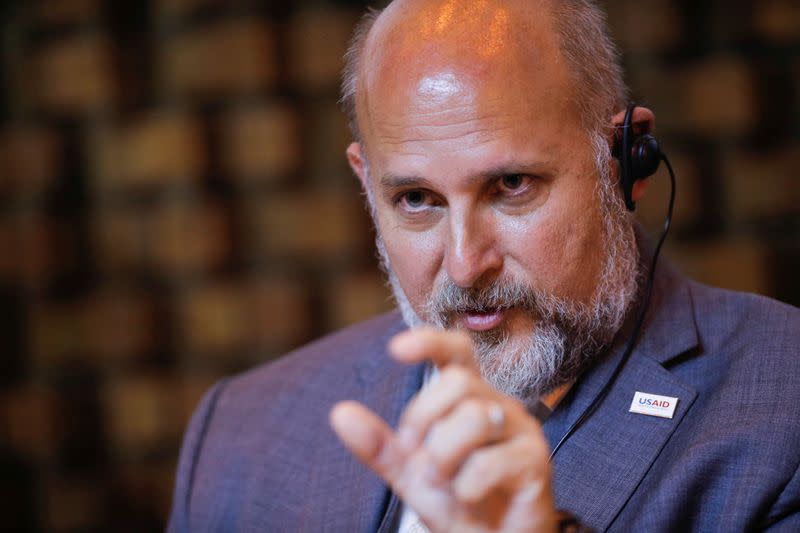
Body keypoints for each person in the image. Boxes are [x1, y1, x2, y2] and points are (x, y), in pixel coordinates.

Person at [167, 0, 800, 531]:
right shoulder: (240, 434)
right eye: (416, 200)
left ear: (623, 162)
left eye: (513, 185)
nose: (468, 267)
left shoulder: (782, 410)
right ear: (366, 183)